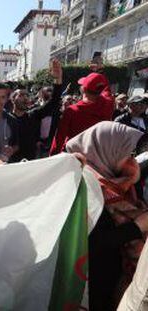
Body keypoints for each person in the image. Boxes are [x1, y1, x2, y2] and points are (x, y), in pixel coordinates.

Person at [66, 121, 148, 311]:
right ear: (106, 149)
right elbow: (90, 242)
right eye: (127, 155)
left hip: (117, 281)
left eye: (133, 156)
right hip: (91, 284)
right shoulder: (80, 185)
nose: (133, 162)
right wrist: (136, 227)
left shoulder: (122, 181)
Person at [50, 70, 114, 155]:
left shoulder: (72, 111)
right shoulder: (108, 105)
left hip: (75, 156)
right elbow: (107, 90)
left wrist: (53, 158)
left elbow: (59, 139)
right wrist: (100, 71)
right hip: (97, 156)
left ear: (83, 89)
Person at [11, 59, 63, 161]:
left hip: (31, 166)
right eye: (21, 95)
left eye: (27, 95)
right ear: (12, 99)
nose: (25, 98)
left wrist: (58, 79)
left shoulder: (33, 115)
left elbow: (53, 102)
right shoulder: (6, 119)